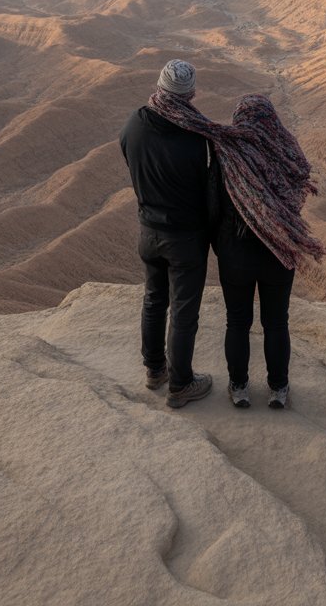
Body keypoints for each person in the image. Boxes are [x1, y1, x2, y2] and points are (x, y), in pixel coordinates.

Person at [144, 91, 326, 409]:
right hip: (279, 250)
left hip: (235, 252)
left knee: (238, 322)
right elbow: (297, 192)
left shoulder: (227, 151)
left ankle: (239, 388)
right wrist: (273, 224)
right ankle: (278, 389)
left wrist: (219, 241)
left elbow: (212, 205)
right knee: (276, 322)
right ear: (271, 119)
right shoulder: (286, 147)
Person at [119, 60, 215, 409]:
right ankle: (181, 384)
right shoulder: (195, 135)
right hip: (185, 237)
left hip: (148, 230)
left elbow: (131, 163)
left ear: (159, 86)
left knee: (153, 300)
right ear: (190, 94)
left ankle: (154, 371)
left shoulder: (133, 124)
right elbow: (207, 187)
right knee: (184, 312)